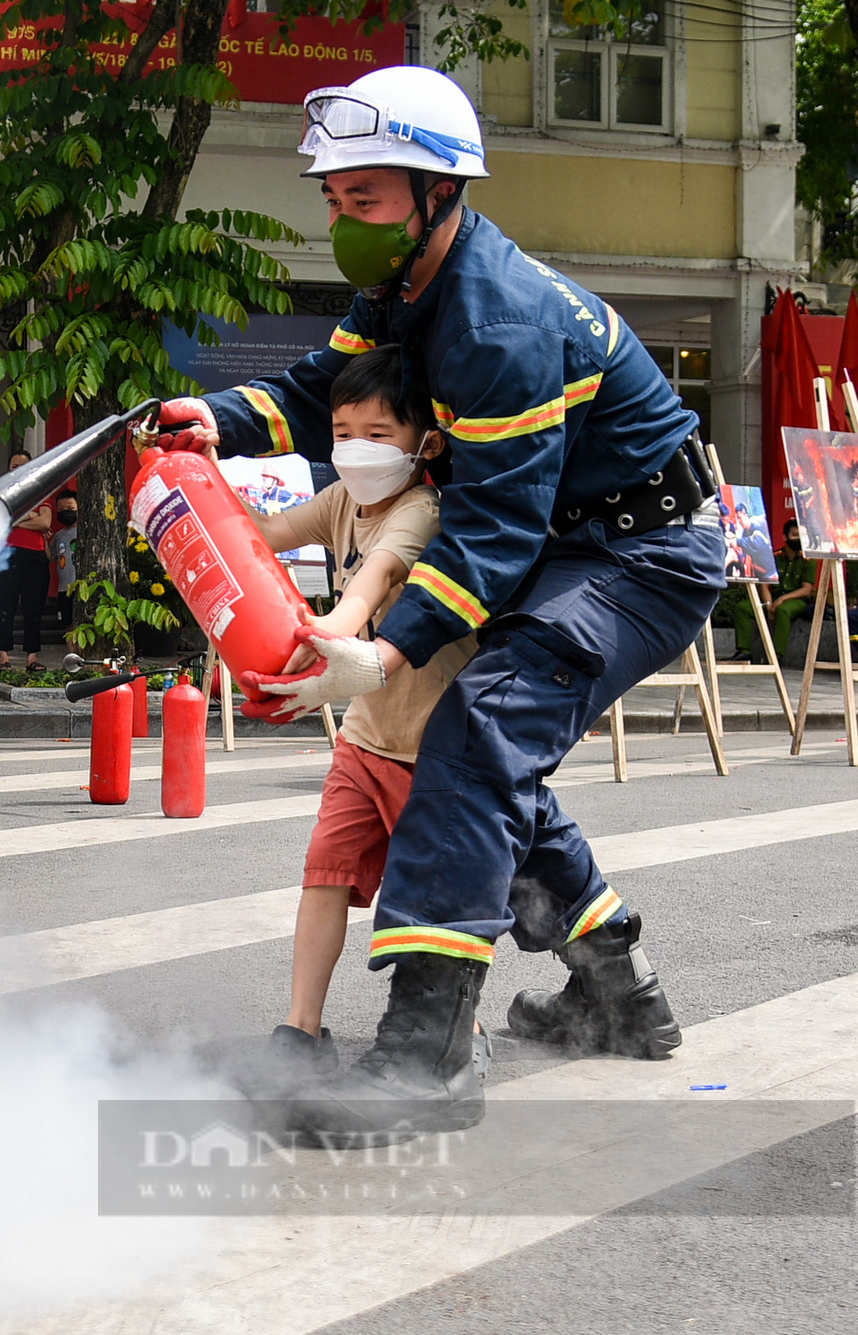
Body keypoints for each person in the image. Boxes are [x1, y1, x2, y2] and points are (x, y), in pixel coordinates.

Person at [157, 65, 725, 1139]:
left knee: (474, 730)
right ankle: (620, 996)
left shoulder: (497, 322)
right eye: (331, 198)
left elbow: (493, 531)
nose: (341, 221)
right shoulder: (400, 288)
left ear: (436, 192)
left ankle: (421, 1060)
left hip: (646, 552)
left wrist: (378, 652)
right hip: (577, 538)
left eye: (362, 198)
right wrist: (212, 415)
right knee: (491, 762)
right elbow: (317, 393)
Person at [244, 346, 483, 1083]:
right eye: (344, 430)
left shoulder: (420, 510)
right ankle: (300, 1029)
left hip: (436, 753)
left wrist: (329, 633)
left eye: (378, 433)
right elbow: (265, 533)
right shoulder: (340, 501)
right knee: (325, 874)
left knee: (430, 906)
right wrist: (182, 504)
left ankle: (454, 1033)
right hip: (365, 738)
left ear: (426, 442)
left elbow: (371, 581)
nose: (357, 448)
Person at [0, 449, 53, 670]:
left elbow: (45, 523)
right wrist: (31, 515)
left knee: (34, 608)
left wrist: (15, 519)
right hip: (7, 554)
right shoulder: (2, 492)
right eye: (14, 465)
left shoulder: (42, 489)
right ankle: (3, 657)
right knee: (5, 606)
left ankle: (32, 658)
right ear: (8, 469)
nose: (18, 469)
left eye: (22, 465)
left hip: (35, 555)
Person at [722, 519, 813, 662]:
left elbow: (806, 589)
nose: (798, 539)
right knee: (743, 608)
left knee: (782, 610)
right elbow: (765, 585)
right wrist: (769, 604)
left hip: (795, 600)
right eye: (795, 535)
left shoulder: (807, 559)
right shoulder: (775, 557)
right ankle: (744, 651)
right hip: (772, 597)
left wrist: (782, 599)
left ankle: (776, 655)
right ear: (785, 537)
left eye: (801, 535)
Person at [46, 490, 81, 630]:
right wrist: (43, 540)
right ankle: (72, 651)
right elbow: (51, 557)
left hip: (81, 587)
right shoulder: (58, 536)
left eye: (70, 508)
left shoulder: (87, 531)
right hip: (63, 588)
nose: (66, 512)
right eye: (61, 509)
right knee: (68, 625)